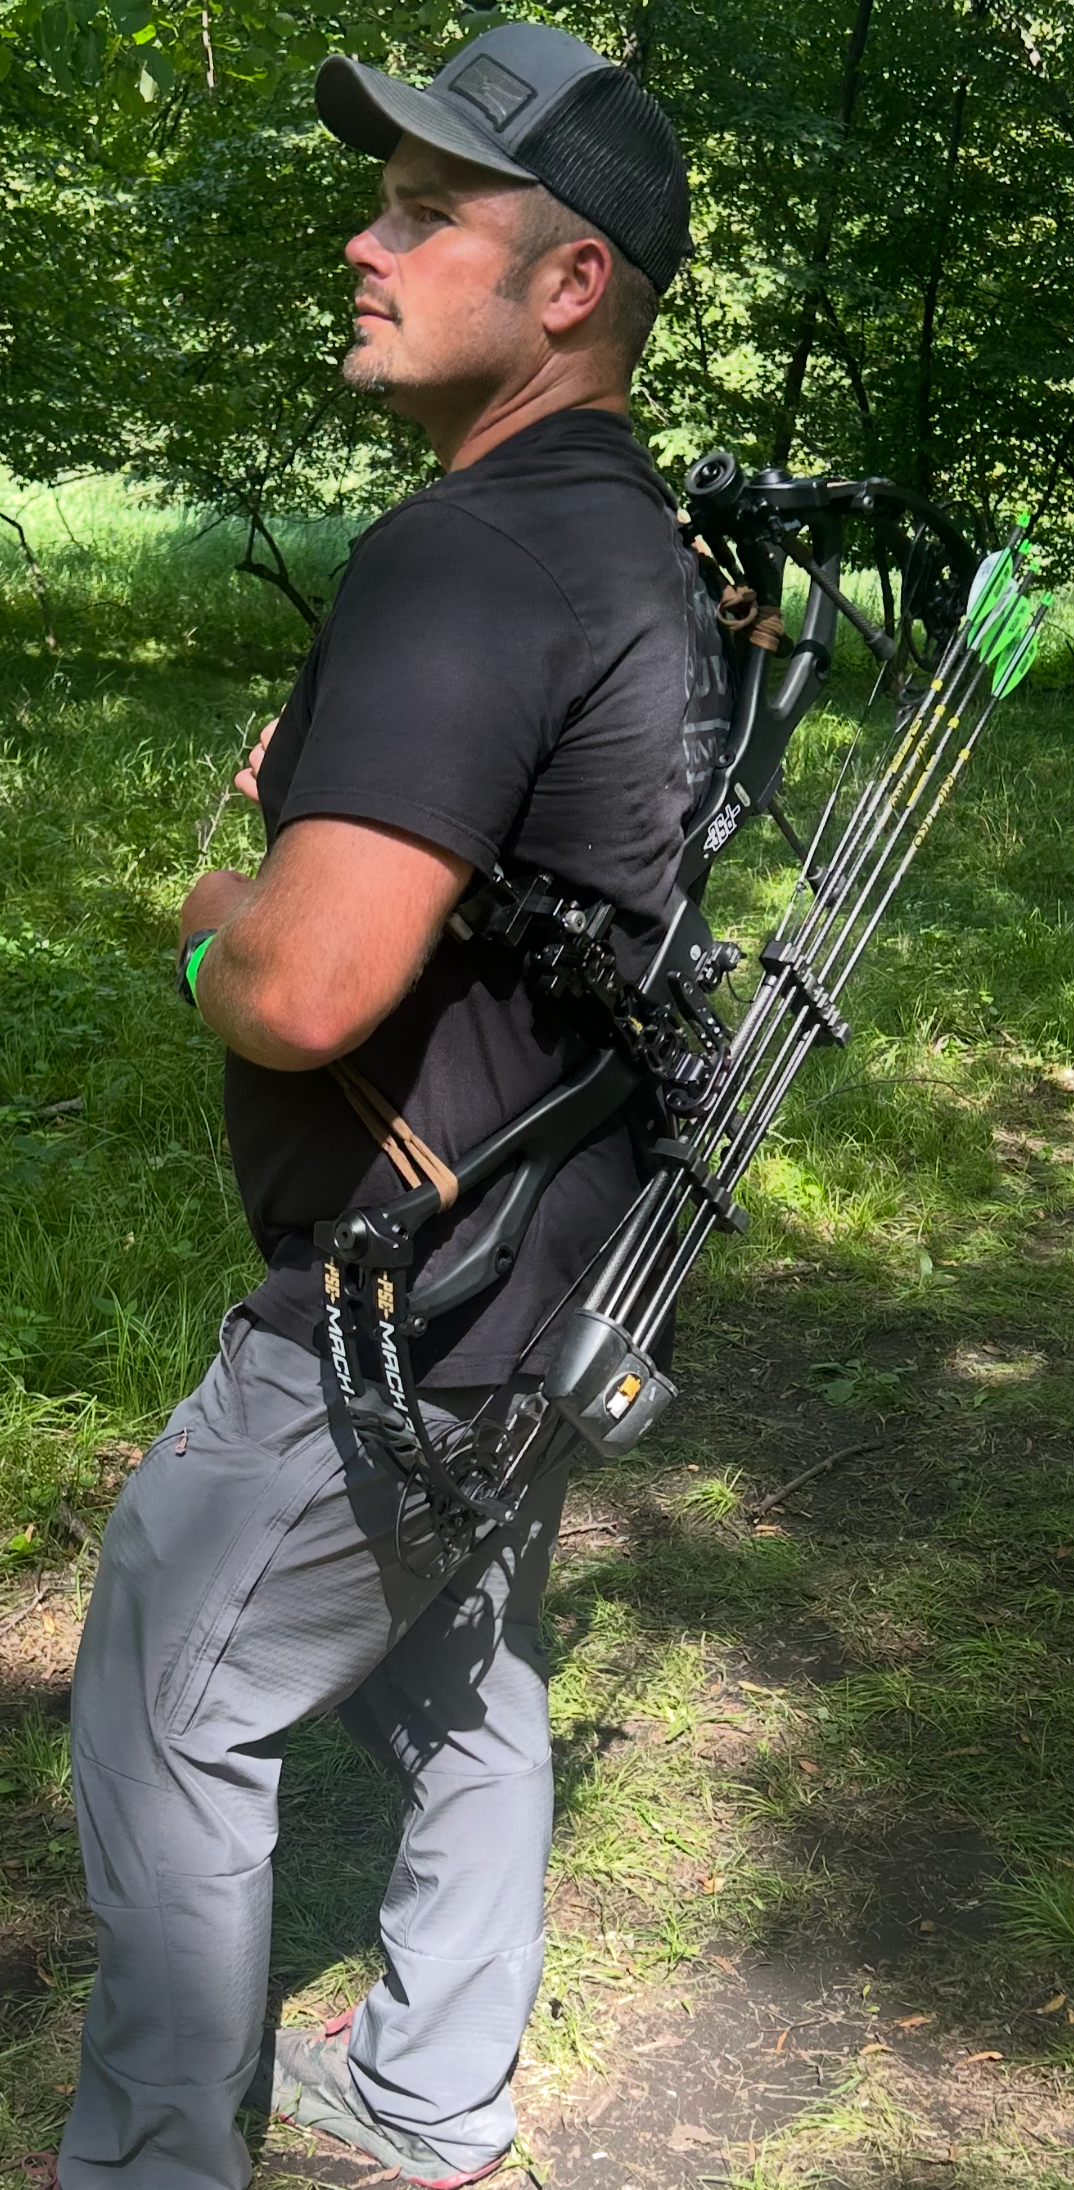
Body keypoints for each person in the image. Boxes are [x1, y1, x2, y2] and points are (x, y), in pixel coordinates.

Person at [57, 21, 731, 2190]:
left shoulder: (465, 555)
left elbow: (305, 987)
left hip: (387, 1313)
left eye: (430, 213)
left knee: (166, 1710)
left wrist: (206, 912)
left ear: (566, 289)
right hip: (538, 1286)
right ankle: (428, 2095)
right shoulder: (633, 546)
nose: (365, 244)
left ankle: (152, 2163)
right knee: (463, 1671)